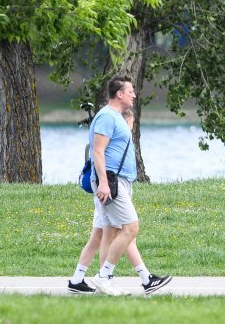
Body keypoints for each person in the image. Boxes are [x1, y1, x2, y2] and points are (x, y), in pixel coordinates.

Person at [67, 107, 172, 295]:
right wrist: (105, 183)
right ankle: (134, 278)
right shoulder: (117, 136)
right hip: (110, 186)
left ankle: (78, 279)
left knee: (102, 235)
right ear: (128, 121)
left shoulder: (111, 134)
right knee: (125, 231)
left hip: (104, 185)